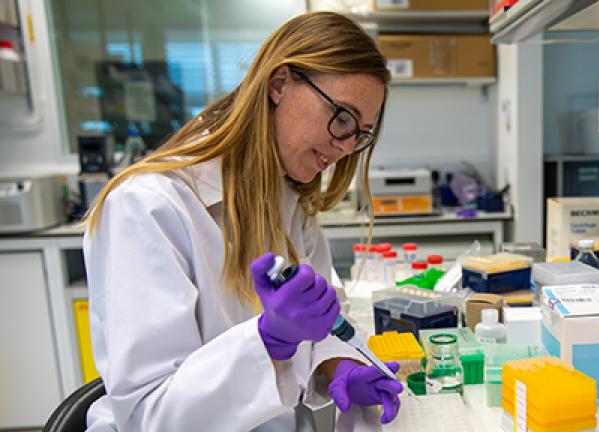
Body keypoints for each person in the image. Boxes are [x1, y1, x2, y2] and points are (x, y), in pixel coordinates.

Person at [82, 12, 402, 431]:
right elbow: (151, 415)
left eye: (360, 132)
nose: (345, 147)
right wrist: (270, 340)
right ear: (279, 84)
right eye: (341, 117)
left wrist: (339, 366)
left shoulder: (291, 202)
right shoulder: (148, 207)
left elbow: (322, 324)